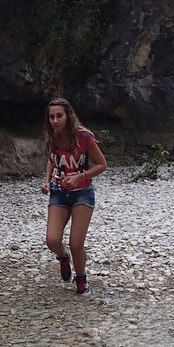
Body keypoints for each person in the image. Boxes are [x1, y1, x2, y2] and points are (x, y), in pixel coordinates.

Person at [40, 97, 107, 295]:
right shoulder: (51, 137)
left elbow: (102, 164)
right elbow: (51, 160)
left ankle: (81, 277)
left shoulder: (84, 137)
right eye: (51, 117)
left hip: (82, 194)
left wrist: (80, 177)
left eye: (59, 116)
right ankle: (63, 258)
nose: (55, 120)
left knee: (76, 243)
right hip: (59, 194)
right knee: (52, 240)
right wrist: (47, 180)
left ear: (68, 116)